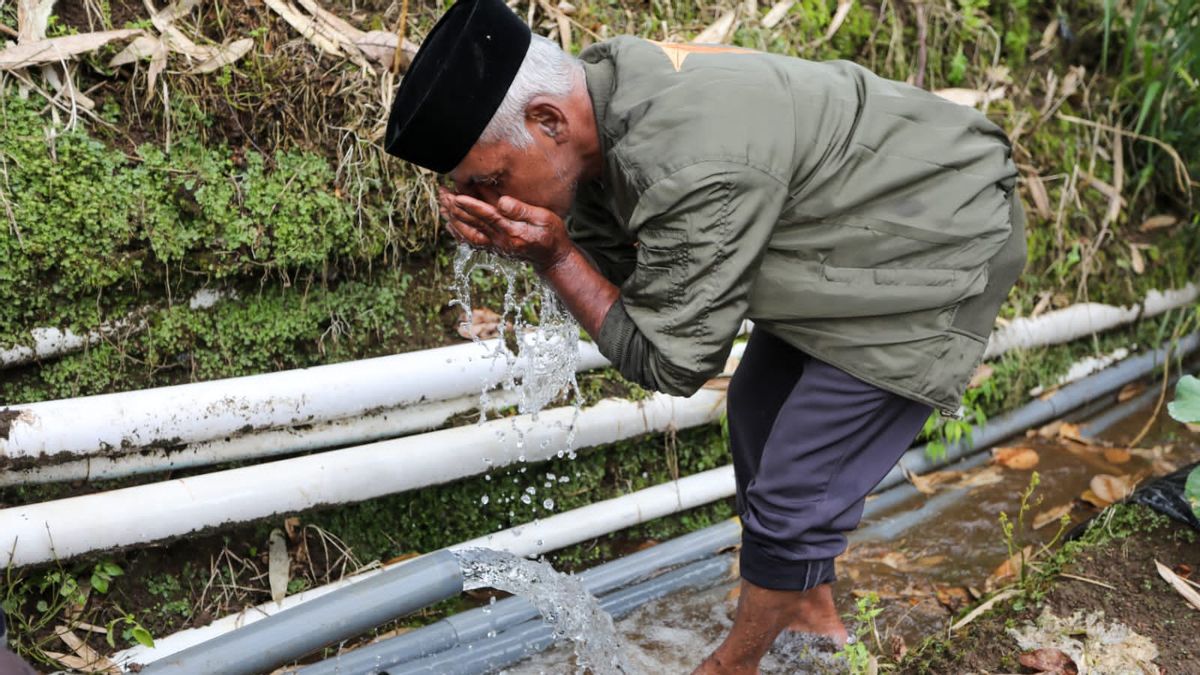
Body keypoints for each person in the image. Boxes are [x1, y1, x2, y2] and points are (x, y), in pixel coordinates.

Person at [383, 0, 1025, 671]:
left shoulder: (687, 161)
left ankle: (732, 665)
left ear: (548, 121)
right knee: (756, 410)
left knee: (794, 486)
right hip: (855, 224)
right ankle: (810, 613)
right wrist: (558, 246)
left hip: (938, 240)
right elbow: (638, 279)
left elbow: (673, 359)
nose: (489, 202)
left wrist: (555, 256)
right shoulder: (608, 95)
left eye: (491, 181)